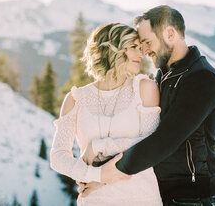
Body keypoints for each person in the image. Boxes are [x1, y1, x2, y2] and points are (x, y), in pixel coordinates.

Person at [85, 6, 215, 206]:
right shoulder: (162, 77)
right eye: (140, 45)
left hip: (192, 197)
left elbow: (164, 140)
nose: (144, 50)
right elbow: (141, 136)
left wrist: (104, 176)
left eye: (147, 42)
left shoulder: (201, 78)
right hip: (157, 193)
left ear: (170, 34)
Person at [50, 23, 163, 205]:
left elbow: (151, 145)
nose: (140, 54)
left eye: (140, 47)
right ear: (112, 50)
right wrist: (96, 175)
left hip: (141, 198)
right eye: (133, 47)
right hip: (94, 200)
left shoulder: (145, 88)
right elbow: (58, 157)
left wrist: (99, 146)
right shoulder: (75, 99)